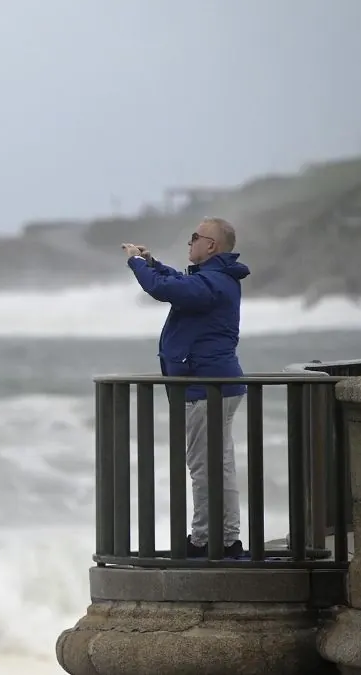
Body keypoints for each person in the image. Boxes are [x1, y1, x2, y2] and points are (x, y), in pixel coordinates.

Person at [121, 217, 250, 558]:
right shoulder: (214, 280)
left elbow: (165, 289)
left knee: (204, 467)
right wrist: (153, 263)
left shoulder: (213, 283)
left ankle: (204, 541)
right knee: (218, 465)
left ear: (212, 246)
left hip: (206, 386)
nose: (189, 242)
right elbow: (176, 281)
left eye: (195, 237)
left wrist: (136, 264)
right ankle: (226, 540)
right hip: (215, 385)